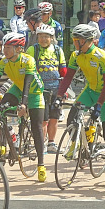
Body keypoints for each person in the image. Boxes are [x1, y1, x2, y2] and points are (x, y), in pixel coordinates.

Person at [53, 24, 105, 187]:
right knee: (72, 116)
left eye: (77, 41)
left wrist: (99, 105)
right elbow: (68, 78)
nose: (75, 44)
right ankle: (77, 144)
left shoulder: (101, 56)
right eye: (74, 40)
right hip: (89, 90)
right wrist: (59, 97)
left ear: (88, 41)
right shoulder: (76, 55)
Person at [0, 32, 47, 182]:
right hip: (17, 88)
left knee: (37, 127)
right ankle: (4, 141)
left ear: (19, 49)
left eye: (9, 47)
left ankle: (41, 164)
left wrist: (24, 104)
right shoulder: (3, 62)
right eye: (4, 47)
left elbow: (27, 84)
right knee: (1, 108)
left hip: (34, 91)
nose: (5, 51)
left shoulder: (28, 60)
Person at [27, 23, 67, 154]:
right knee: (43, 119)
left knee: (54, 117)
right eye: (41, 36)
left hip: (55, 88)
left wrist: (64, 89)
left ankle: (51, 143)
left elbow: (63, 71)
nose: (43, 39)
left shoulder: (57, 50)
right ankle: (41, 143)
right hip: (39, 90)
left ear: (52, 37)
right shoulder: (33, 50)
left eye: (47, 37)